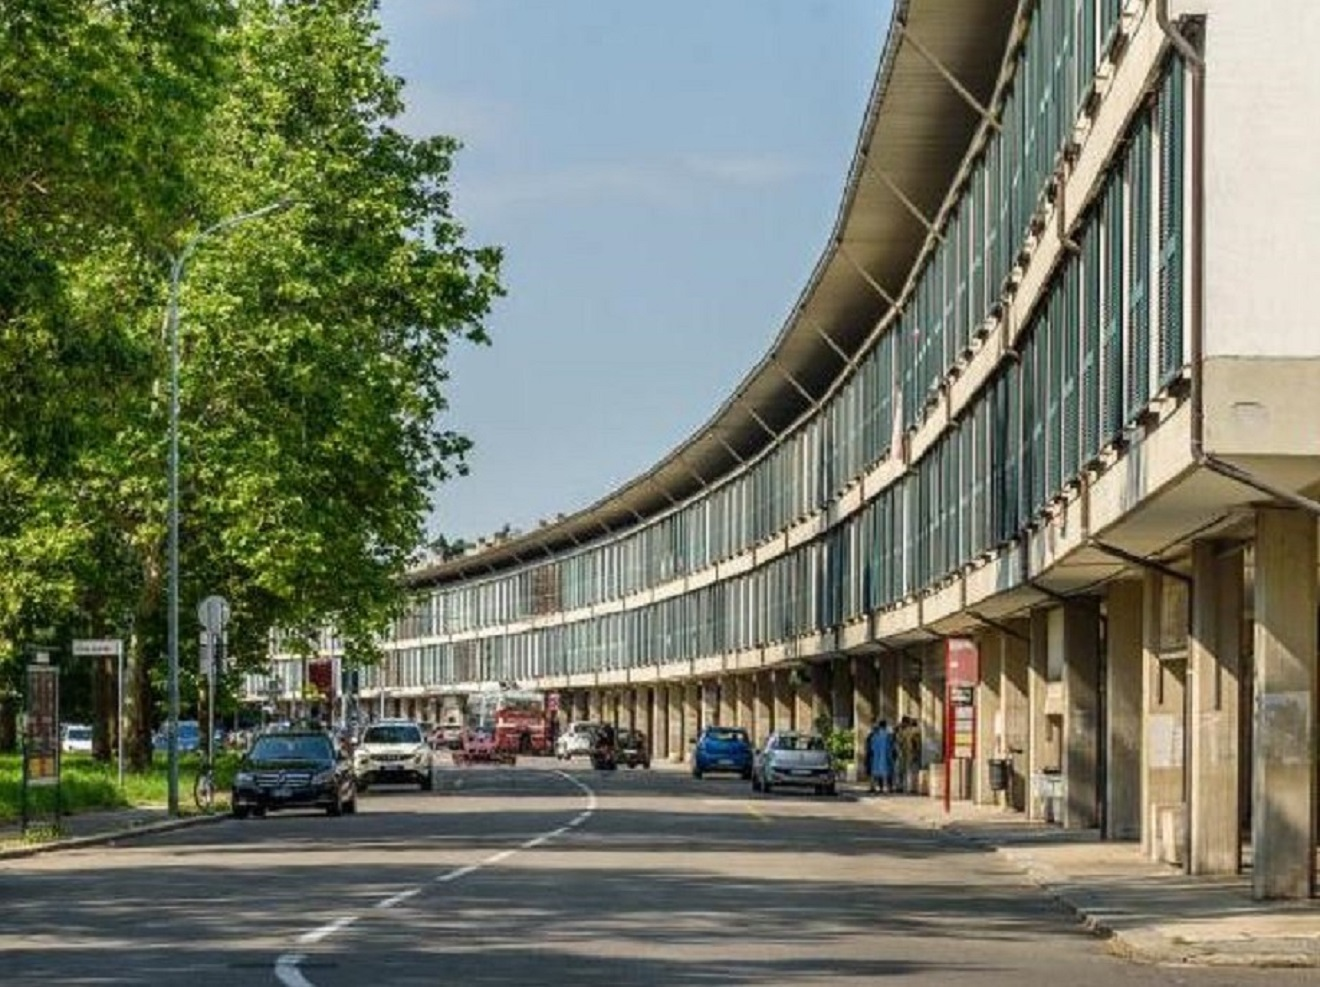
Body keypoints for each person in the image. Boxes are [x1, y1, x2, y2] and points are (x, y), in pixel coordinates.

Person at [866, 719, 895, 794]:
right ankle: (890, 788)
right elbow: (891, 746)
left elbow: (872, 747)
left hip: (877, 757)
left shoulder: (875, 735)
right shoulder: (888, 735)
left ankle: (881, 788)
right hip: (886, 756)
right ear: (885, 725)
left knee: (878, 774)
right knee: (889, 772)